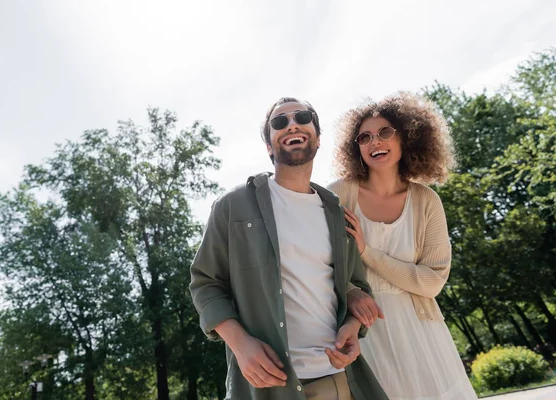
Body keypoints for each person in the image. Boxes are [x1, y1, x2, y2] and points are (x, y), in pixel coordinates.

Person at [189, 97, 388, 400]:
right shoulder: (233, 206)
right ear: (269, 145)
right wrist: (241, 345)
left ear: (317, 138)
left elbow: (356, 287)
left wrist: (351, 326)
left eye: (302, 117)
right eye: (279, 122)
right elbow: (205, 284)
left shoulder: (336, 211)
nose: (292, 123)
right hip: (265, 387)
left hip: (336, 380)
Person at [328, 92, 478, 399]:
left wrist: (367, 253)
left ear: (407, 138)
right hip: (360, 330)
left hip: (420, 330)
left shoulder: (427, 201)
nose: (374, 142)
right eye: (364, 137)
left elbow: (433, 281)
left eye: (385, 132)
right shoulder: (339, 195)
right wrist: (349, 291)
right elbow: (317, 262)